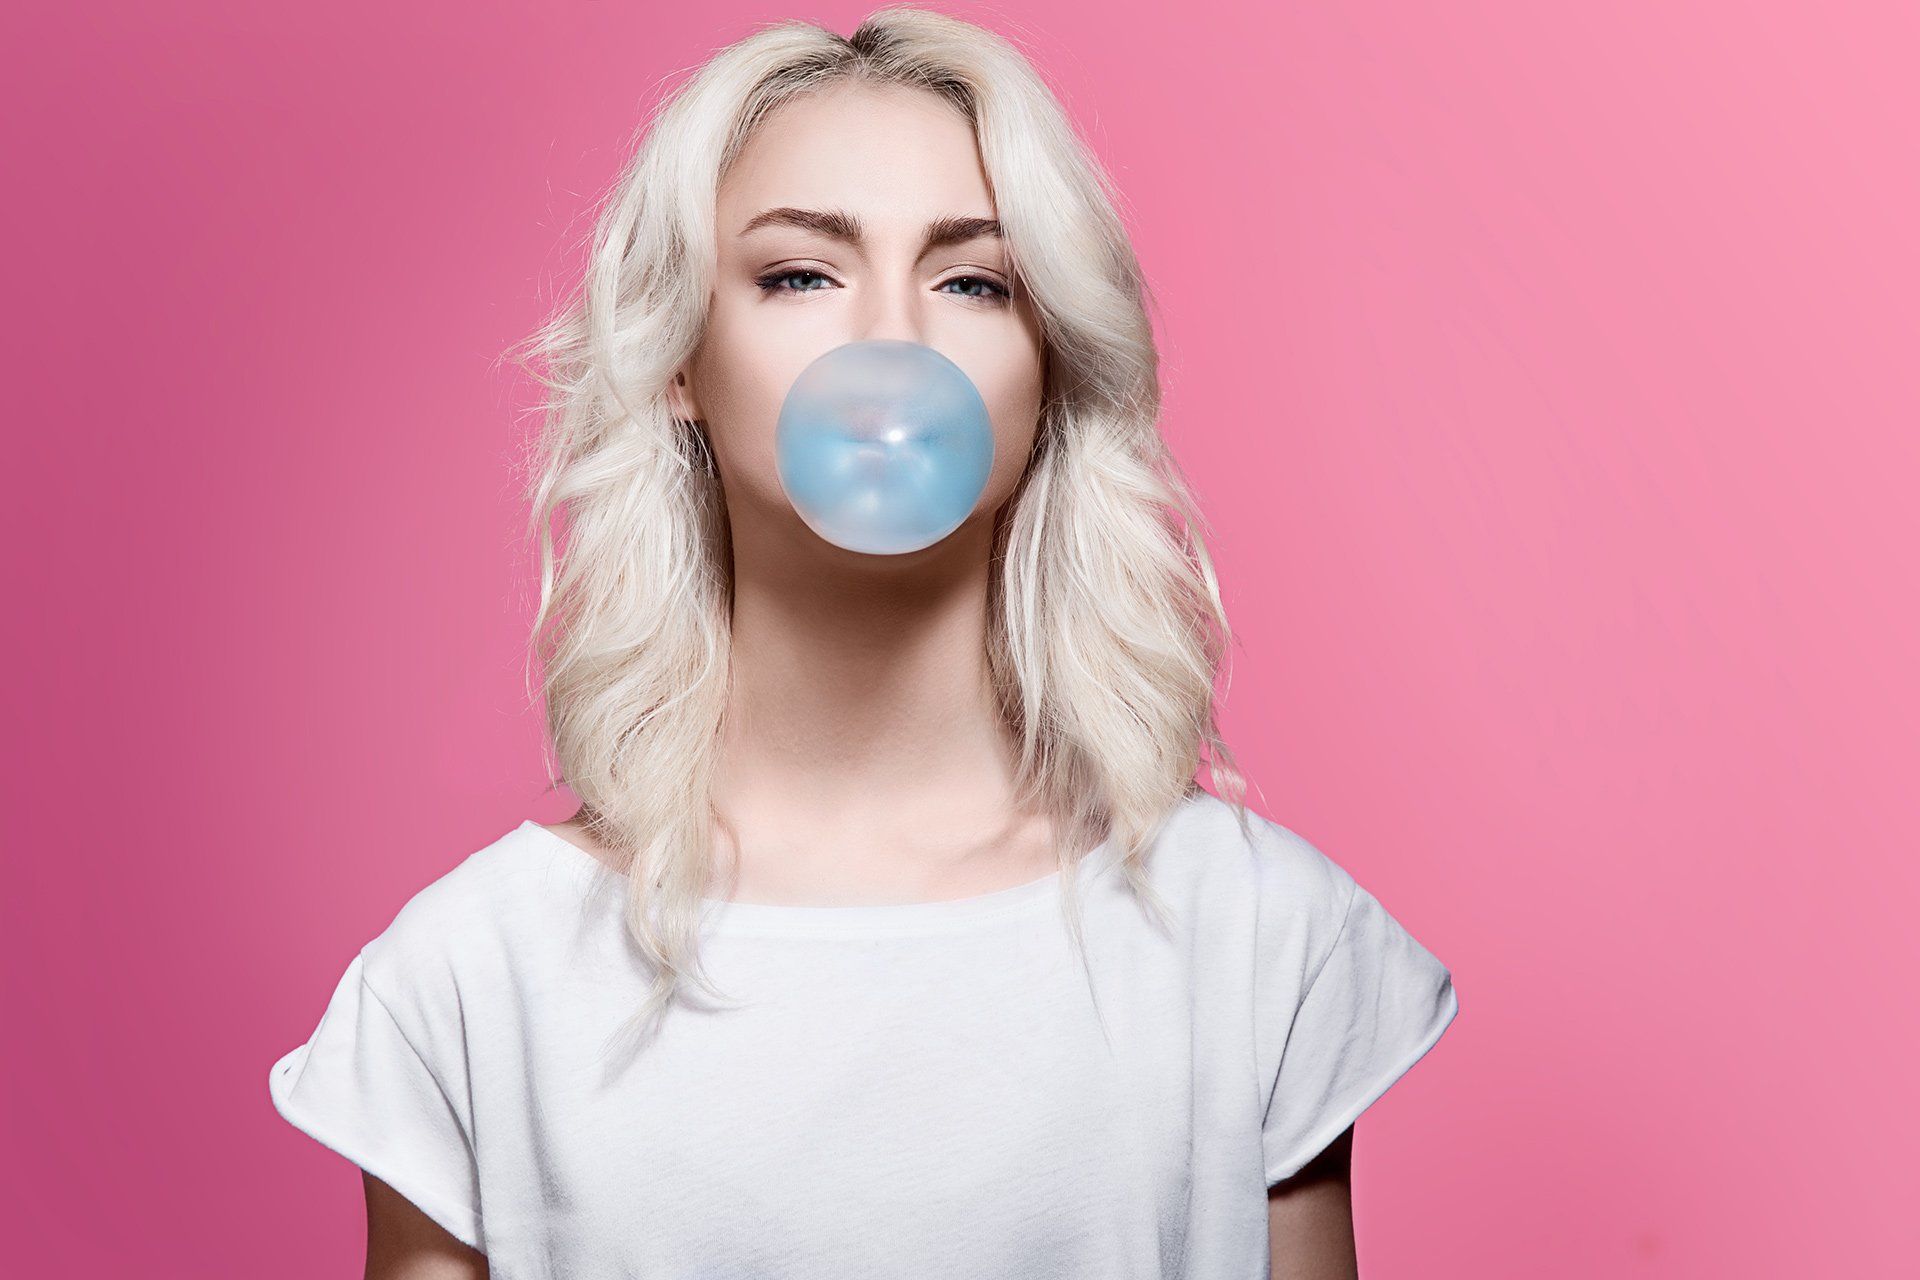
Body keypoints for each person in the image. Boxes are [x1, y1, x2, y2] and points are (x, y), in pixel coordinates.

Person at [267, 8, 1460, 1278]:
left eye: (972, 280)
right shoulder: (473, 977)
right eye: (799, 274)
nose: (892, 340)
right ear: (679, 354)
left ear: (1044, 366)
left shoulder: (1257, 936)